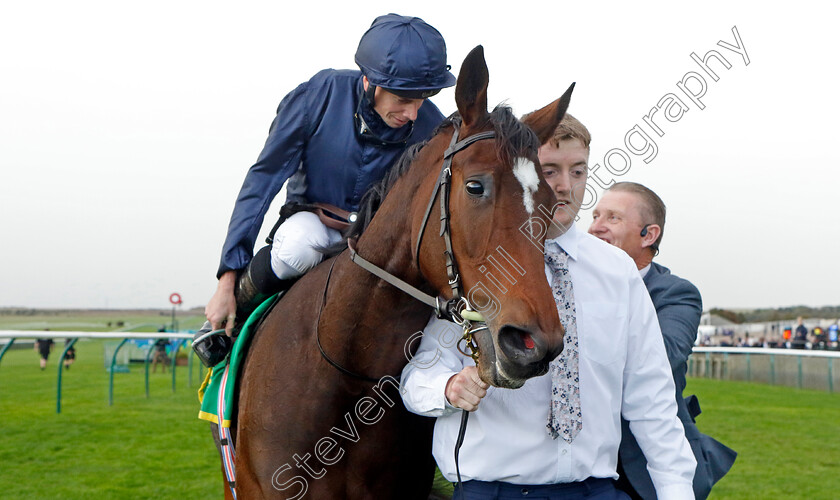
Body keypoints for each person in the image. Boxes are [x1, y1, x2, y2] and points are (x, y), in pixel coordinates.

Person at [401, 115, 696, 499]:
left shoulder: (617, 271)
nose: (564, 186)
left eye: (578, 171)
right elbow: (416, 379)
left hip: (597, 490)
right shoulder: (479, 267)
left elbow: (652, 397)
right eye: (549, 170)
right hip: (493, 491)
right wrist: (448, 387)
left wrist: (676, 491)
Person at [194, 14, 457, 366]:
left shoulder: (431, 127)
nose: (413, 113)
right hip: (311, 225)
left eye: (423, 98)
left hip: (377, 245)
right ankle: (232, 317)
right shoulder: (318, 95)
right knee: (299, 247)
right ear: (370, 81)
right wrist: (226, 279)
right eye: (403, 99)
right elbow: (262, 182)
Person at [588, 181, 737, 500]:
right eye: (595, 215)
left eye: (612, 218)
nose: (595, 228)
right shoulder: (573, 288)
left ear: (649, 235)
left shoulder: (676, 293)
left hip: (648, 466)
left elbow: (663, 358)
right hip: (582, 467)